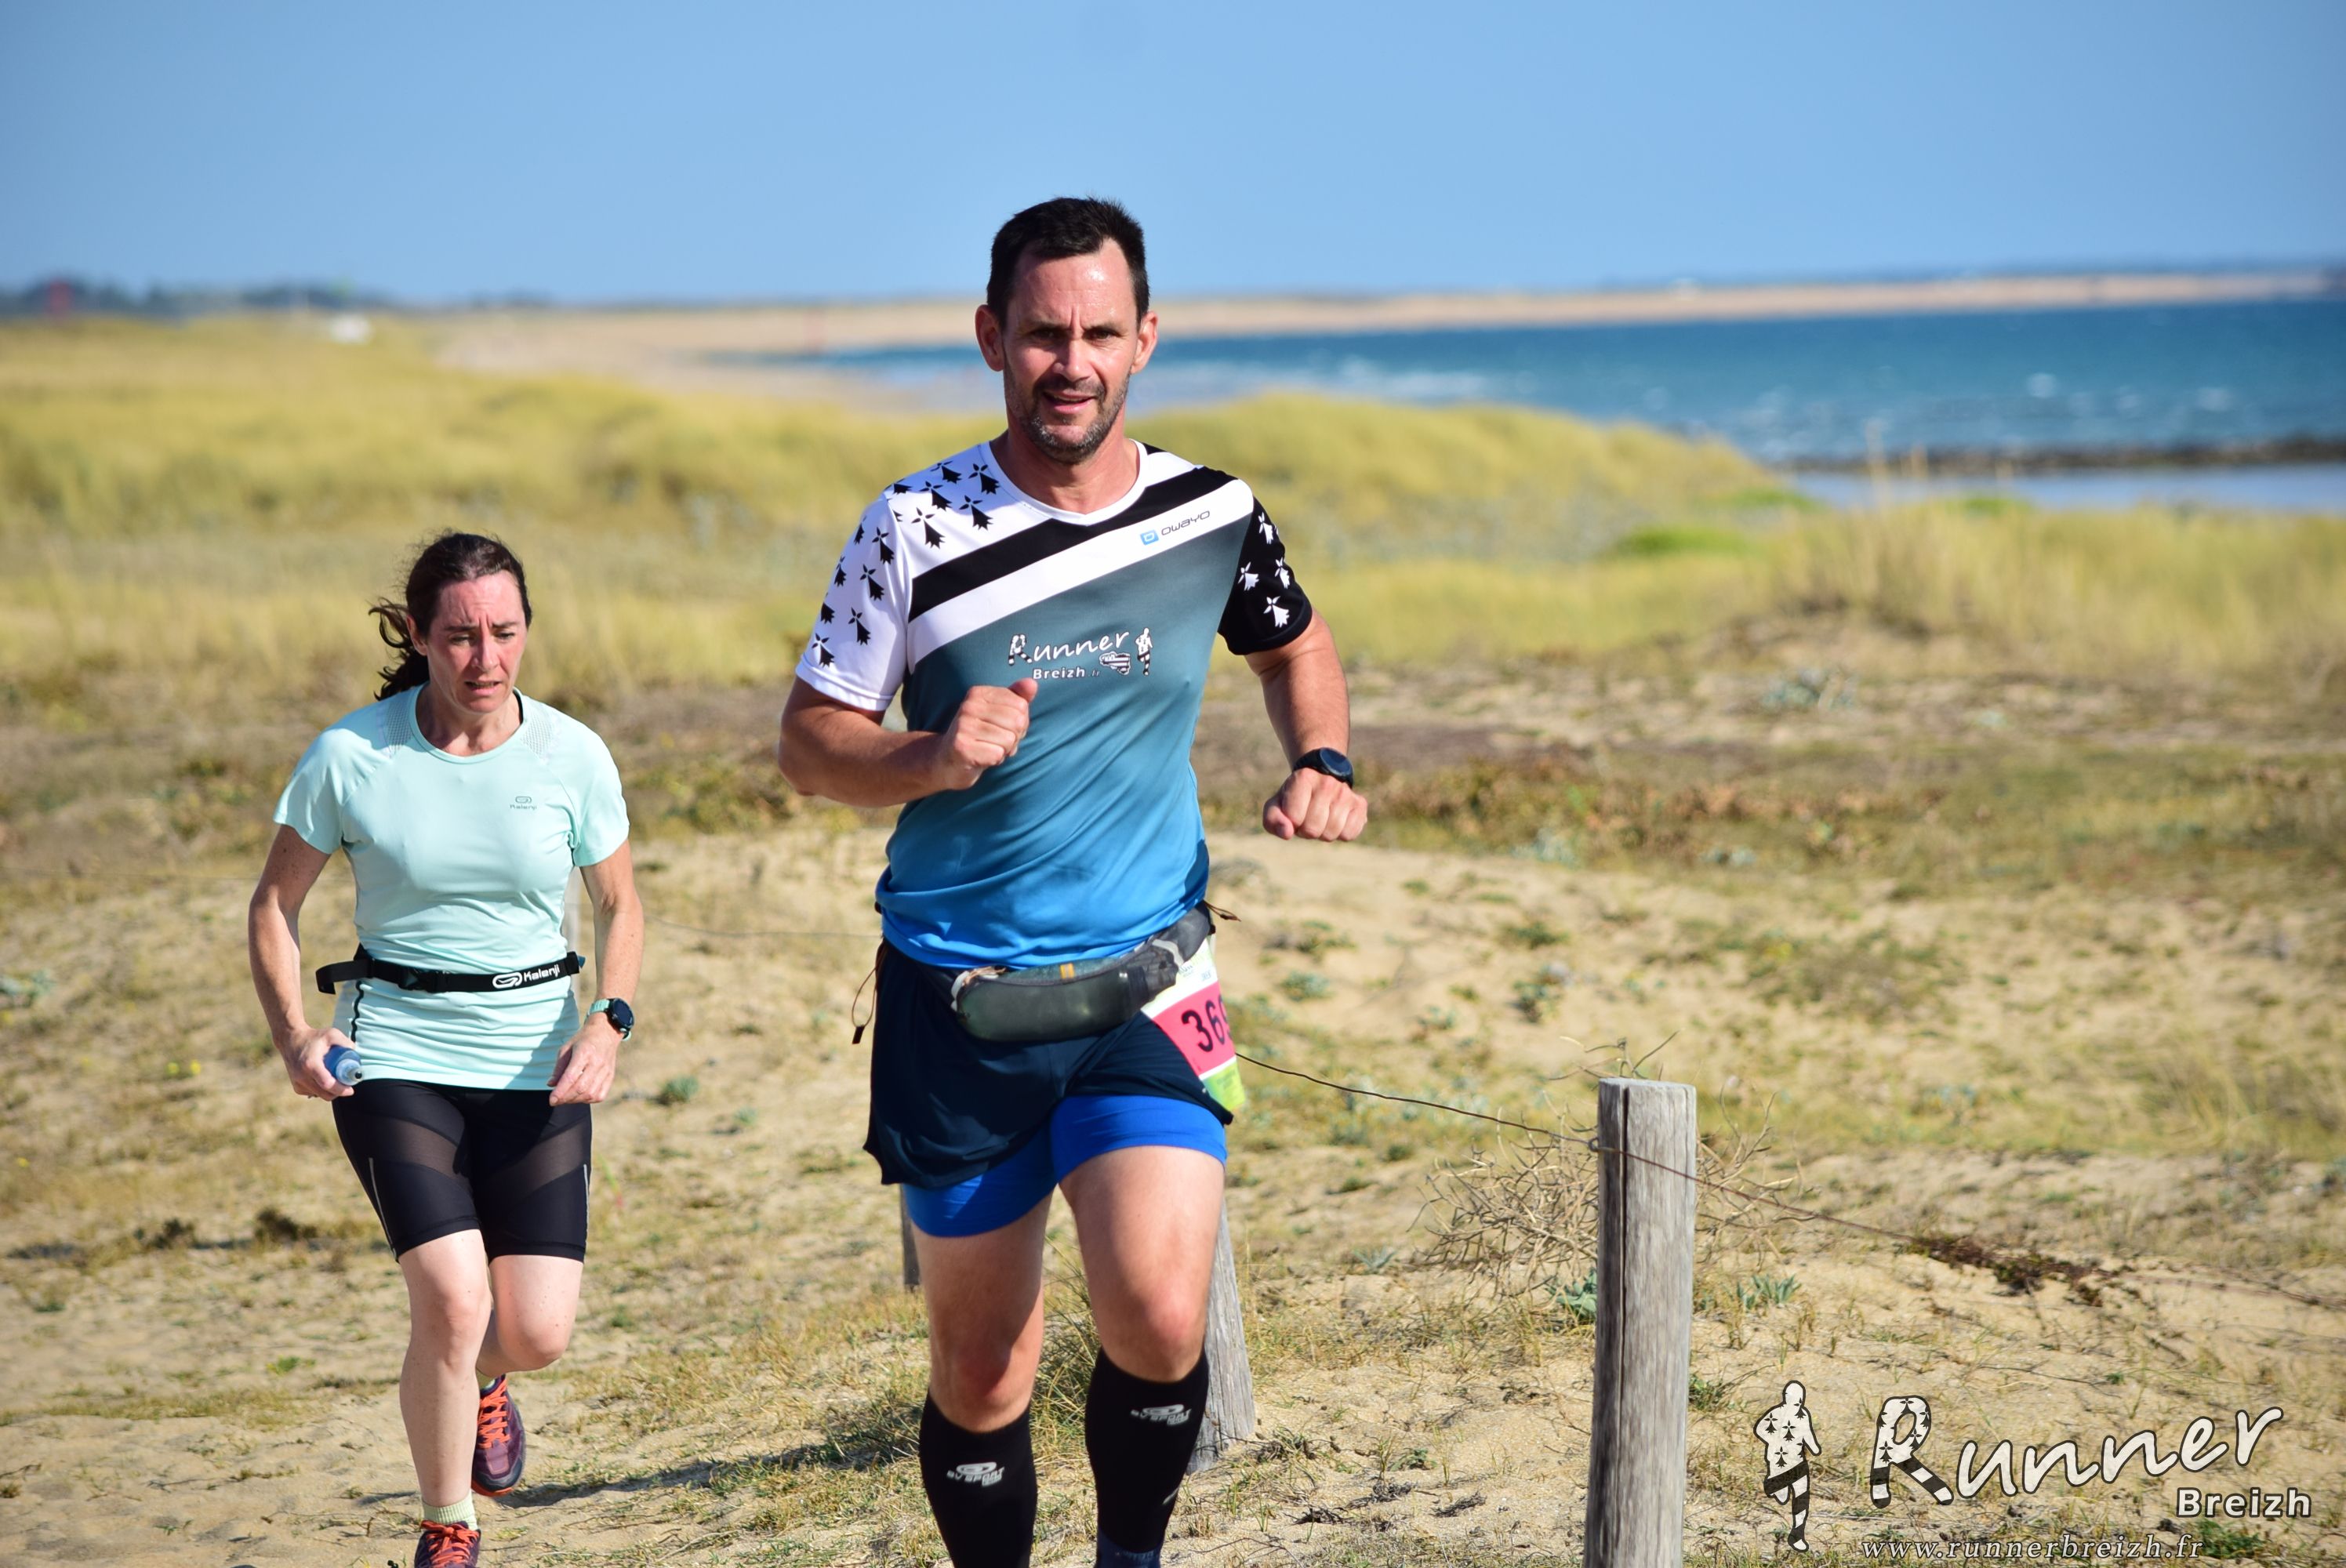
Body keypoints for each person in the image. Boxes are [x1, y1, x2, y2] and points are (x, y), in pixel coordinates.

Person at [779, 198, 1367, 1568]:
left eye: (1101, 333)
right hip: (959, 1001)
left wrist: (1322, 758)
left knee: (1160, 1317)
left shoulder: (1212, 513)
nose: (1072, 363)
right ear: (993, 337)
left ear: (1146, 339)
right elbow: (810, 745)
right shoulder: (914, 528)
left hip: (1152, 984)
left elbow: (1295, 645)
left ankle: (1130, 1558)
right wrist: (927, 755)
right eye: (1044, 334)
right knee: (984, 1371)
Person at [247, 532, 642, 1568]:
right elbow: (274, 906)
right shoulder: (351, 757)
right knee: (454, 1301)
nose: (486, 658)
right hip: (395, 1058)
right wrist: (294, 1036)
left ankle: (484, 1379)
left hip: (536, 1065)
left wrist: (608, 1021)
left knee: (537, 1331)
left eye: (505, 632)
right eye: (461, 636)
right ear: (419, 636)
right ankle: (447, 1525)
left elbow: (620, 905)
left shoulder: (572, 755)